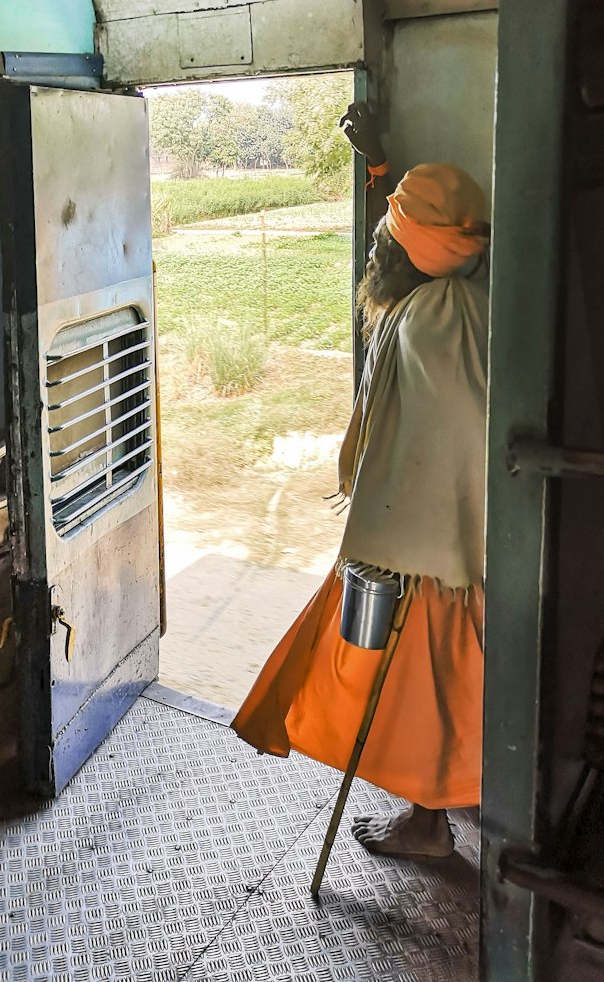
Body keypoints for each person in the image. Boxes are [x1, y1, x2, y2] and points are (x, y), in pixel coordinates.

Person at [231, 104, 489, 857]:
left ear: (410, 253)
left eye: (387, 232)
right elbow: (420, 230)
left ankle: (429, 820)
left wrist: (377, 542)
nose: (377, 238)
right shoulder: (456, 291)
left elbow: (430, 448)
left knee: (419, 693)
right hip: (455, 547)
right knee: (444, 687)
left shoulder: (434, 319)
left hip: (426, 554)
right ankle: (439, 807)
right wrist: (380, 163)